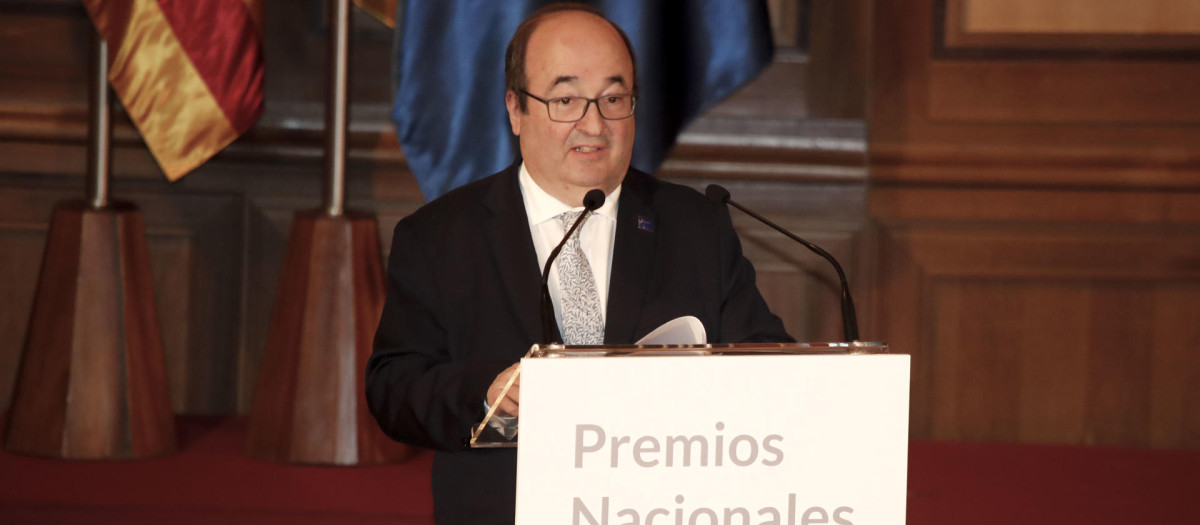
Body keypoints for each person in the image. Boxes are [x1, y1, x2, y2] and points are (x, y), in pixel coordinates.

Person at [366, 4, 792, 524]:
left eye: (613, 99)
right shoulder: (439, 237)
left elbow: (770, 364)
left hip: (665, 506)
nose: (594, 124)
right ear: (515, 109)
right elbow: (394, 386)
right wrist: (485, 393)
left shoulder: (695, 225)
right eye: (566, 100)